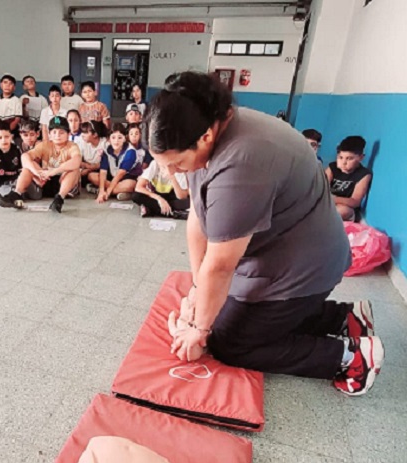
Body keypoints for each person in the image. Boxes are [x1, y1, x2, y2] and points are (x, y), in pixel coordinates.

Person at [144, 71, 381, 396]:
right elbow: (198, 217)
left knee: (229, 341)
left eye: (176, 164)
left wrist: (199, 329)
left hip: (304, 265)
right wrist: (197, 290)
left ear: (204, 138)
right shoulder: (206, 127)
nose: (173, 174)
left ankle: (350, 358)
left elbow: (222, 264)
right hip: (281, 249)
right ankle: (342, 318)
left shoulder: (242, 160)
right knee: (222, 310)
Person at [0, 116, 81, 213]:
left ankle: (59, 199)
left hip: (64, 183)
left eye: (61, 132)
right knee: (29, 166)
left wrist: (53, 171)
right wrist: (36, 172)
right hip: (45, 180)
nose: (57, 135)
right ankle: (16, 194)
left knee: (74, 169)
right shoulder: (45, 145)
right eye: (54, 132)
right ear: (49, 134)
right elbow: (25, 156)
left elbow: (77, 160)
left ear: (68, 134)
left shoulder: (72, 146)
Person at [325, 136, 372, 222]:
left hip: (344, 207)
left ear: (361, 157)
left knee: (342, 211)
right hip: (326, 203)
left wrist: (332, 199)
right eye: (341, 157)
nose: (344, 163)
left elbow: (355, 201)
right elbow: (320, 188)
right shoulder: (333, 167)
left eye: (349, 158)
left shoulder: (364, 174)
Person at [89, 123, 136, 203]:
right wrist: (101, 191)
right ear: (109, 139)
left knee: (131, 184)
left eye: (120, 138)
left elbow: (120, 175)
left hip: (126, 178)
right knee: (91, 176)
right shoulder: (107, 150)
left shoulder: (130, 151)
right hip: (112, 178)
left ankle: (110, 191)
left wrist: (107, 193)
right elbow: (103, 172)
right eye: (113, 138)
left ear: (125, 138)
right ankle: (120, 192)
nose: (116, 141)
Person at [77, 121, 107, 190]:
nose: (82, 135)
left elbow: (106, 163)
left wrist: (91, 168)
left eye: (86, 133)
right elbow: (77, 160)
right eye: (82, 132)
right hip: (86, 168)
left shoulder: (105, 143)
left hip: (101, 170)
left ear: (95, 134)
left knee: (95, 176)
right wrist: (86, 167)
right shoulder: (81, 141)